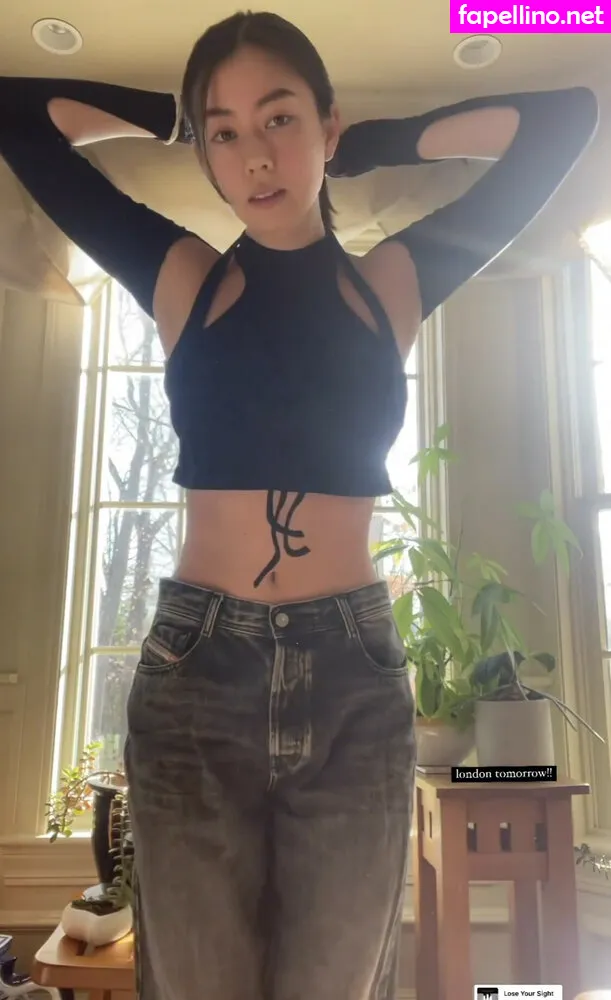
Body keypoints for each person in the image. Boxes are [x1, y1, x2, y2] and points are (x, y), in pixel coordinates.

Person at [0, 10, 598, 1000]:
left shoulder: (391, 282)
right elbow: (16, 112)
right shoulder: (183, 277)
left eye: (278, 118)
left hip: (350, 678)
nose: (253, 155)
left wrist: (379, 141)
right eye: (223, 131)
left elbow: (562, 121)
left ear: (325, 123)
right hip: (198, 674)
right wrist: (172, 118)